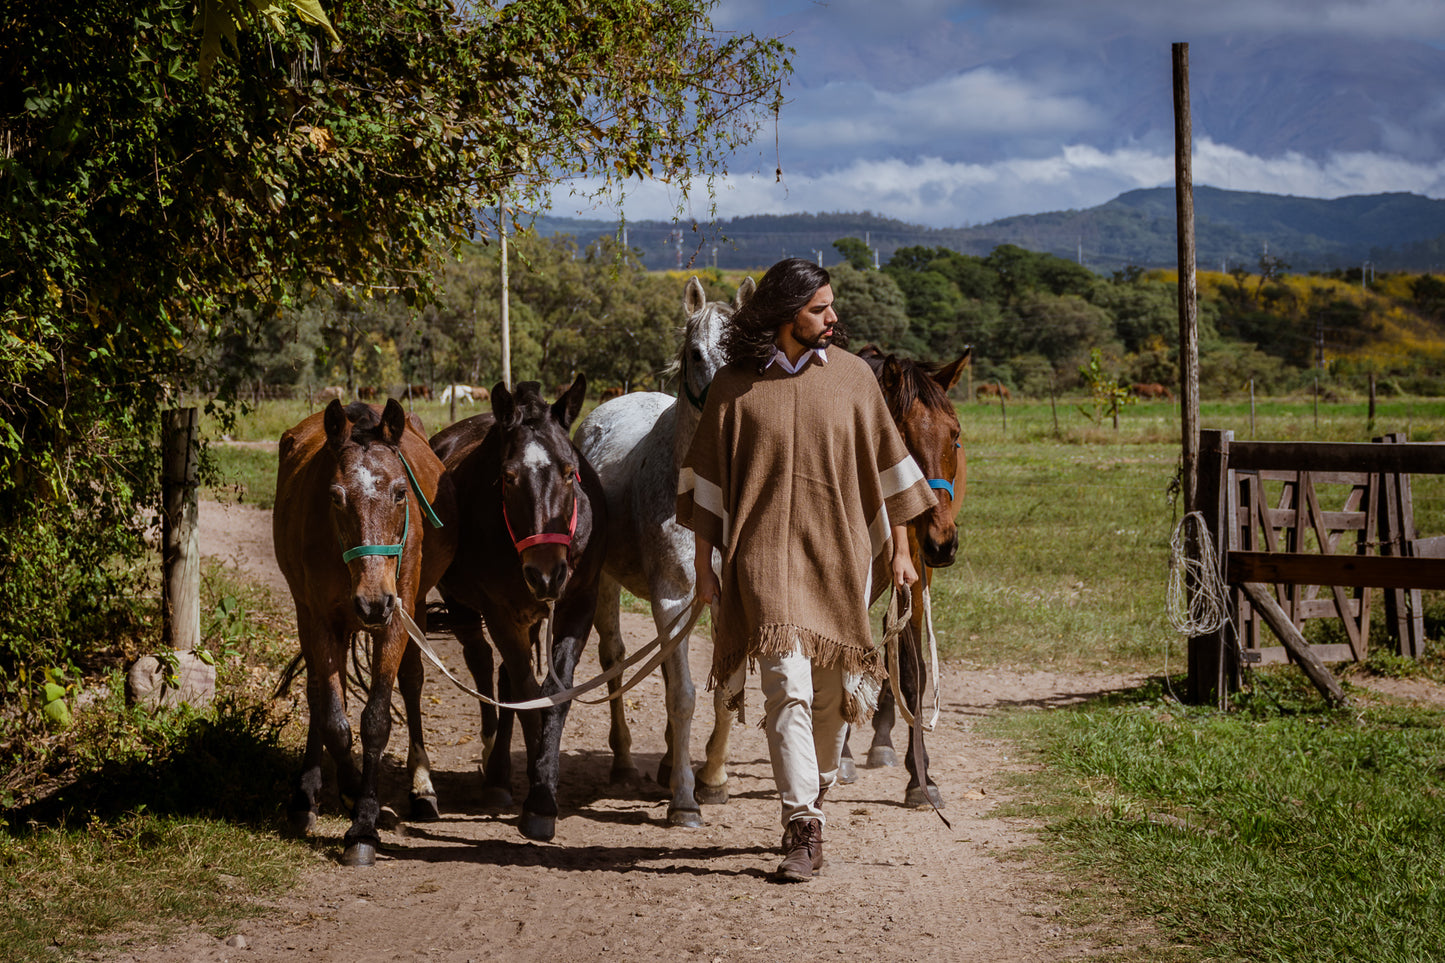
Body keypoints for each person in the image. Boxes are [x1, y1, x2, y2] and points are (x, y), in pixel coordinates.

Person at [676, 257, 936, 882]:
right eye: (820, 308)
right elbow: (706, 486)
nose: (833, 318)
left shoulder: (851, 380)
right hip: (761, 561)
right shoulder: (734, 386)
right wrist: (705, 567)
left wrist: (900, 551)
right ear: (786, 314)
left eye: (830, 307)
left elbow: (889, 473)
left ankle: (814, 786)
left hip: (839, 559)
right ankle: (803, 824)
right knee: (785, 686)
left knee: (827, 696)